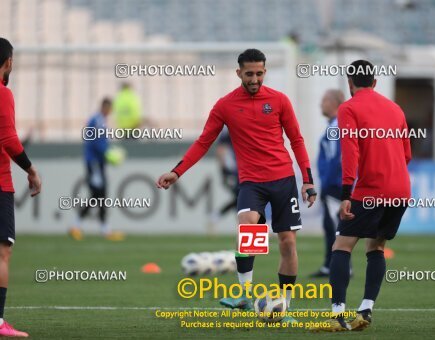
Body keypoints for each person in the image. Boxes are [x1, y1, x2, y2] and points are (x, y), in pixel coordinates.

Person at [156, 49, 317, 324]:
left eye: (259, 73)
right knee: (248, 227)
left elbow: (297, 140)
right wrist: (177, 171)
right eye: (249, 74)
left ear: (264, 72)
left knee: (288, 243)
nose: (254, 79)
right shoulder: (225, 105)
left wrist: (308, 180)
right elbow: (204, 142)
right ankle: (244, 295)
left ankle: (283, 306)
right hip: (251, 181)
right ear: (238, 73)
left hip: (282, 179)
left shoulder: (279, 101)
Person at [312, 60, 411, 332]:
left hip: (370, 189)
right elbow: (406, 154)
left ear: (350, 83)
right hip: (400, 190)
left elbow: (350, 152)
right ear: (375, 82)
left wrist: (346, 193)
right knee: (375, 247)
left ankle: (337, 314)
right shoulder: (395, 108)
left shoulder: (349, 108)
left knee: (341, 246)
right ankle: (365, 309)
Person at [0, 37, 42, 338]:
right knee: (2, 253)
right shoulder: (3, 94)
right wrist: (31, 170)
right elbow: (9, 141)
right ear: (8, 62)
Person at [309, 89, 351, 278]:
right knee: (330, 225)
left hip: (334, 184)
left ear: (334, 103)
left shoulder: (336, 127)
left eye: (324, 100)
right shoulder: (335, 125)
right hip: (334, 183)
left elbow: (336, 158)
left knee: (336, 227)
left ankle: (343, 267)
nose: (321, 104)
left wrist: (329, 182)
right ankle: (329, 264)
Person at [69, 98, 125, 241]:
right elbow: (97, 143)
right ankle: (85, 226)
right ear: (105, 107)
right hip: (94, 163)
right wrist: (108, 154)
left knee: (98, 195)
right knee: (98, 194)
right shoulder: (98, 120)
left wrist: (107, 153)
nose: (110, 112)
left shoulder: (98, 120)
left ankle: (97, 228)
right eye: (110, 108)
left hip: (96, 162)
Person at [207, 128, 240, 235]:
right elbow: (221, 150)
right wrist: (224, 171)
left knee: (241, 199)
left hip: (243, 168)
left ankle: (216, 216)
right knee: (244, 197)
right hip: (235, 170)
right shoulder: (230, 129)